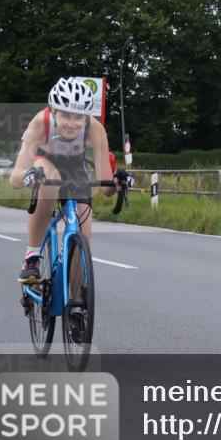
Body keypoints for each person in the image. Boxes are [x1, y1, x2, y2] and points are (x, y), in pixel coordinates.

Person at [10, 77, 132, 286]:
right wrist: (29, 176)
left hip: (75, 169)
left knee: (83, 242)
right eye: (65, 115)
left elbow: (104, 187)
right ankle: (32, 257)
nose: (71, 123)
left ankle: (76, 302)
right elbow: (15, 179)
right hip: (44, 164)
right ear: (53, 112)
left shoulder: (95, 129)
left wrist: (116, 184)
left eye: (78, 117)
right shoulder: (40, 123)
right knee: (49, 179)